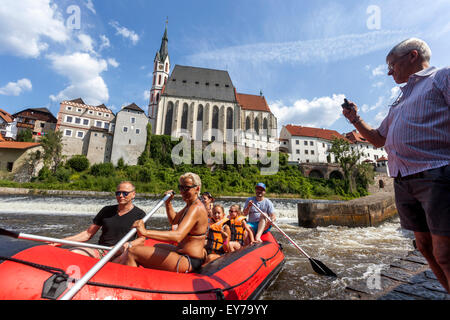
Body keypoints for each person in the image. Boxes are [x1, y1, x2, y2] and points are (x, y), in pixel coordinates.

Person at [342, 38, 450, 293]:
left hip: (436, 173)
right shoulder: (399, 102)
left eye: (392, 65)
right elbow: (378, 139)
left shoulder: (441, 78)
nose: (389, 72)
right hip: (403, 180)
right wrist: (355, 119)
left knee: (446, 252)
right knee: (425, 247)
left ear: (413, 56)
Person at [125, 172, 209, 273]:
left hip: (188, 260)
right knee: (157, 246)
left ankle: (129, 284)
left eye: (186, 188)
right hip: (183, 253)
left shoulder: (196, 208)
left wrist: (145, 232)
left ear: (197, 188)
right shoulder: (190, 205)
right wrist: (168, 203)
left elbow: (178, 236)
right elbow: (174, 221)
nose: (182, 191)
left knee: (132, 252)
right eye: (180, 187)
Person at [59, 181, 146, 261]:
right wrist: (61, 241)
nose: (121, 196)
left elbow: (141, 239)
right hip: (102, 251)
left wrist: (126, 245)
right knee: (73, 252)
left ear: (133, 194)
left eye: (125, 193)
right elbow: (88, 234)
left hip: (122, 253)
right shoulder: (106, 210)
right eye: (118, 193)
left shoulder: (140, 214)